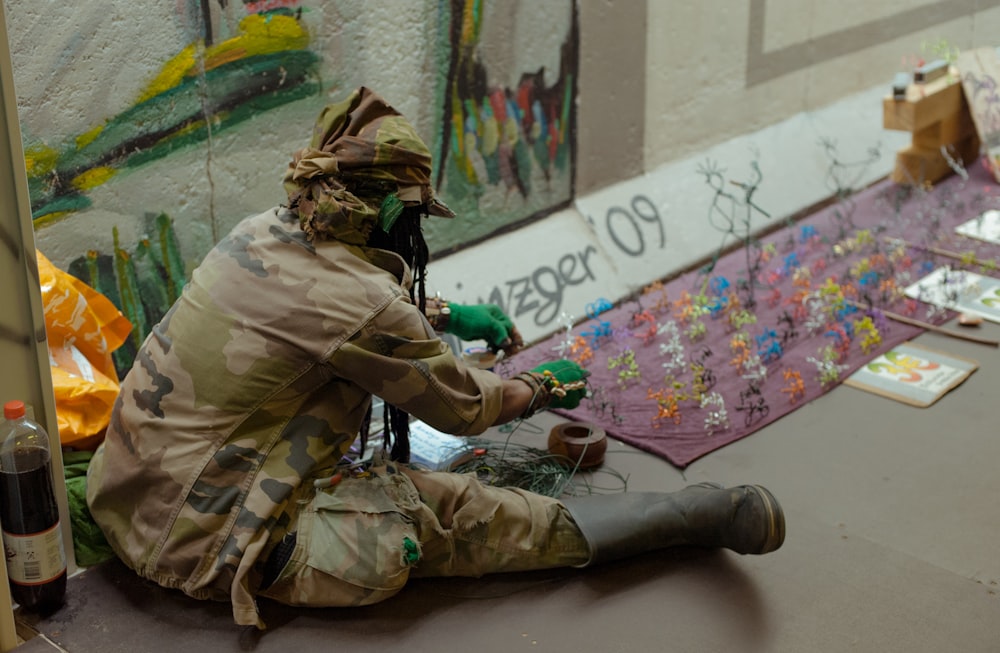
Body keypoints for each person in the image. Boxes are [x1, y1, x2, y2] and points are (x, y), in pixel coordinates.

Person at [86, 87, 785, 630]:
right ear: (392, 212)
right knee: (454, 512)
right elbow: (469, 406)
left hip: (129, 497)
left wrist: (450, 314)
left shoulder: (260, 234)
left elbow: (330, 314)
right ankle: (690, 517)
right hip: (198, 545)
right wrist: (540, 384)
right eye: (415, 214)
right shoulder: (361, 303)